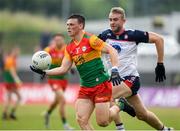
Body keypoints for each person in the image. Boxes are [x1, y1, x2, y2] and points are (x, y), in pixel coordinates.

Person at [30, 14, 135, 130]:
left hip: (100, 85)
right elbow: (64, 68)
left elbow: (112, 50)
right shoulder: (69, 47)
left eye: (72, 25)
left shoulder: (90, 39)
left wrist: (115, 69)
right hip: (85, 87)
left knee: (103, 122)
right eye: (67, 25)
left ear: (80, 26)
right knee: (81, 119)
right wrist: (45, 72)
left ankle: (120, 105)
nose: (68, 27)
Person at [98, 7, 173, 131]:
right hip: (115, 80)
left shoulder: (132, 35)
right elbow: (91, 48)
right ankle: (164, 129)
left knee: (105, 96)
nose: (112, 22)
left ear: (124, 21)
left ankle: (120, 122)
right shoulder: (105, 35)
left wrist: (160, 64)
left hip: (130, 79)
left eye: (115, 20)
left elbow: (159, 39)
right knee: (142, 115)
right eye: (110, 20)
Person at [43, 33, 73, 130]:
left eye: (60, 40)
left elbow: (71, 60)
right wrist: (42, 70)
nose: (58, 41)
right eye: (56, 40)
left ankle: (47, 113)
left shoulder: (67, 49)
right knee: (63, 100)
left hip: (63, 79)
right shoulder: (48, 50)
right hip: (53, 79)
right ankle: (65, 125)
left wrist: (71, 68)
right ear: (54, 41)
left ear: (63, 40)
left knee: (57, 101)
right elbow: (41, 60)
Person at [2, 47, 22, 120]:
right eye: (17, 52)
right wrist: (17, 79)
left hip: (8, 81)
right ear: (14, 52)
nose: (18, 53)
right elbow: (12, 71)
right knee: (19, 97)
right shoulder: (11, 60)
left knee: (9, 98)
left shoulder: (10, 59)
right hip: (10, 82)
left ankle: (5, 114)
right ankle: (11, 114)